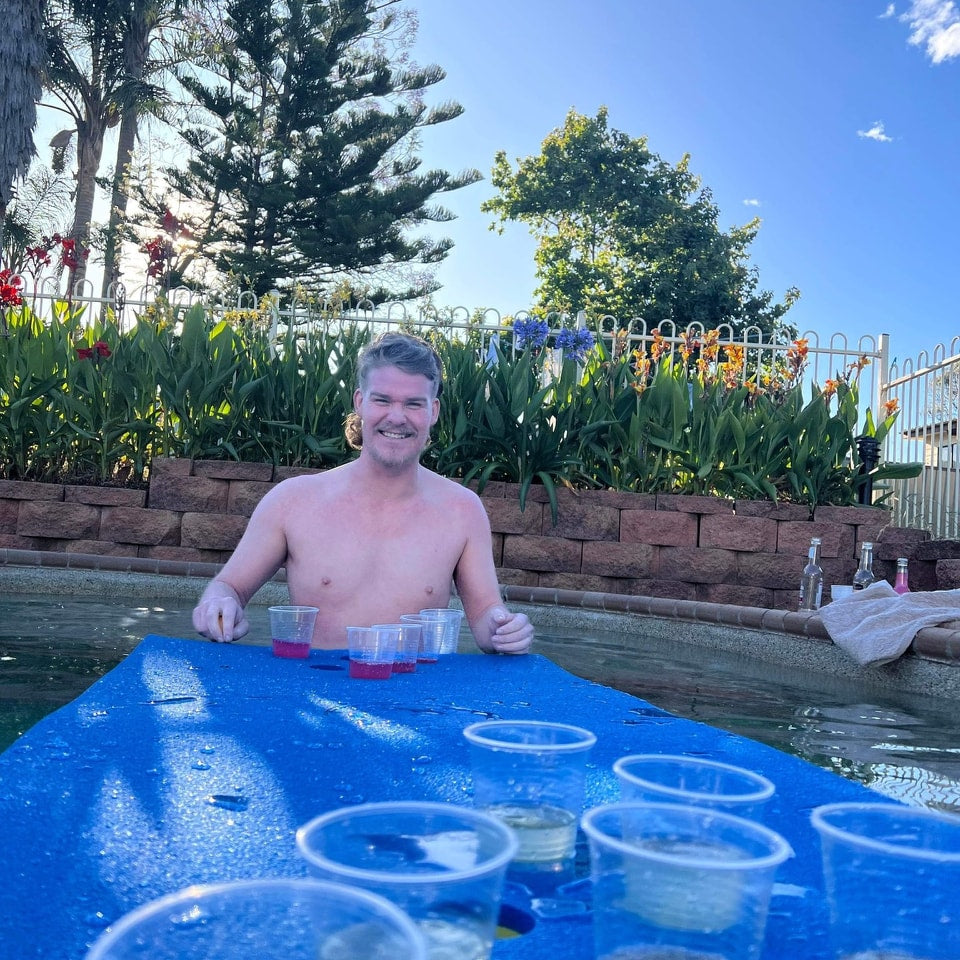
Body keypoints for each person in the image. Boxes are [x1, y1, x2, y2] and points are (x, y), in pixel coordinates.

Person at [192, 331, 533, 654]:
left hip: (414, 692)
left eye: (414, 404)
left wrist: (505, 630)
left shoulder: (462, 510)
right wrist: (218, 606)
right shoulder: (292, 501)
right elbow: (230, 587)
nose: (396, 417)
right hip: (316, 687)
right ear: (360, 402)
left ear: (434, 412)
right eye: (382, 400)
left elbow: (486, 614)